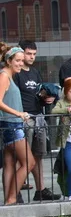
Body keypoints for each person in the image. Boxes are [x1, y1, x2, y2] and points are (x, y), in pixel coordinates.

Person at [13, 40, 60, 201]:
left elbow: (38, 93)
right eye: (28, 54)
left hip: (38, 117)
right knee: (22, 157)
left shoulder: (35, 72)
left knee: (38, 155)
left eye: (34, 54)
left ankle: (40, 190)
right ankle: (15, 191)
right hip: (23, 118)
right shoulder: (16, 73)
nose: (32, 57)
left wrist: (46, 98)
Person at [0, 45, 35, 205]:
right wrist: (18, 113)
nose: (21, 63)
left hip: (10, 124)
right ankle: (12, 198)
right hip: (12, 125)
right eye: (18, 60)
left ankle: (9, 201)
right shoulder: (4, 76)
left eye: (22, 60)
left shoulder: (8, 76)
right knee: (29, 162)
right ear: (9, 61)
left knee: (9, 163)